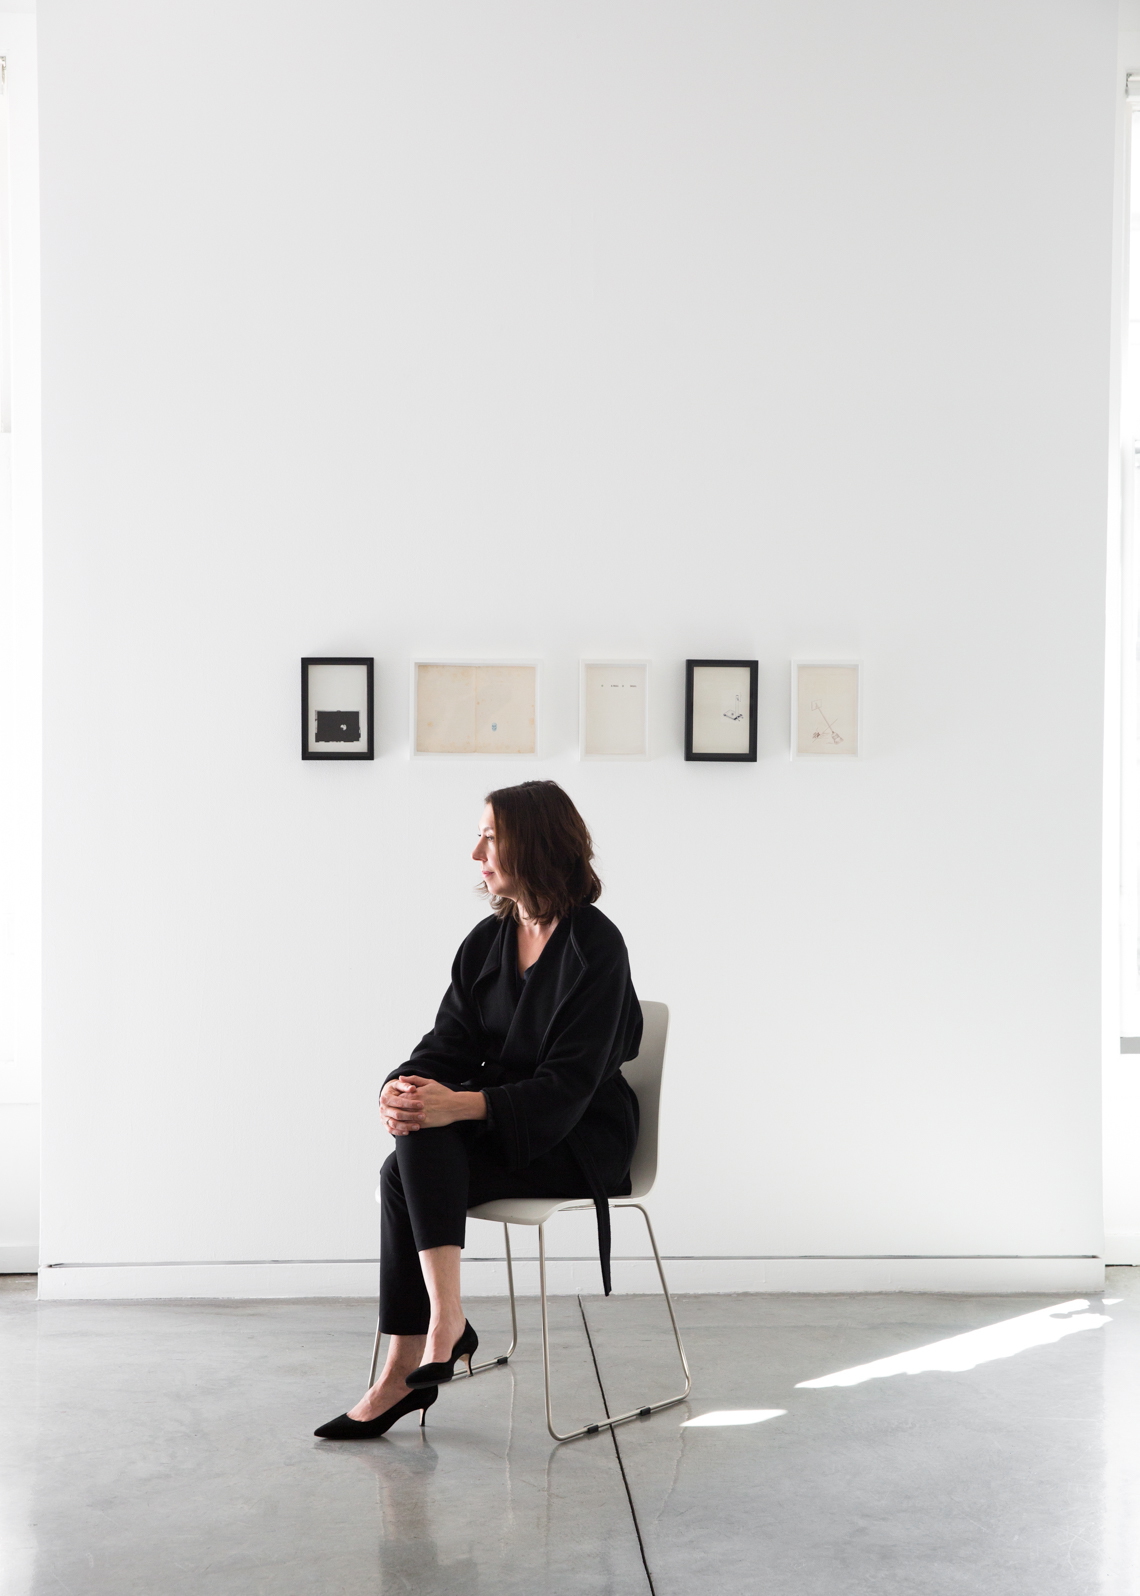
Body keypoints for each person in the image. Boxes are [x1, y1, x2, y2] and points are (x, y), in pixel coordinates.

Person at [315, 780, 643, 1440]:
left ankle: (424, 1347)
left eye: (489, 836)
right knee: (413, 1137)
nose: (476, 852)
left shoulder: (596, 948)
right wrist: (403, 1087)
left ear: (533, 841)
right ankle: (427, 1342)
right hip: (509, 1129)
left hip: (579, 1141)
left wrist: (453, 1105)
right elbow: (448, 1042)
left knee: (416, 1149)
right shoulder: (488, 941)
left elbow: (567, 1086)